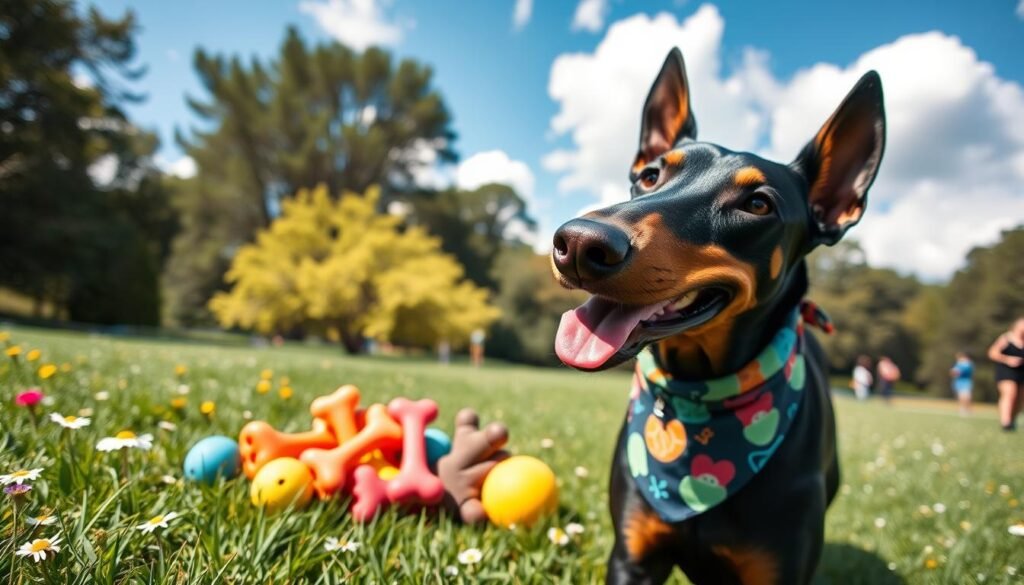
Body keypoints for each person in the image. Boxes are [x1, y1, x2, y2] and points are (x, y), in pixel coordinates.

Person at [988, 318, 1024, 431]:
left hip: (1021, 372)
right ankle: (1005, 422)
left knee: (1019, 399)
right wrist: (1008, 359)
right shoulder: (1006, 338)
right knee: (1010, 393)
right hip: (1006, 370)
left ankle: (1012, 420)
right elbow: (992, 353)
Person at [949, 352, 974, 416]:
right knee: (961, 396)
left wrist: (955, 372)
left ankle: (967, 408)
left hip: (966, 381)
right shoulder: (959, 364)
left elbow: (956, 372)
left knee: (966, 396)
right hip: (959, 382)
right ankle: (962, 408)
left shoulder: (967, 364)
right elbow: (953, 373)